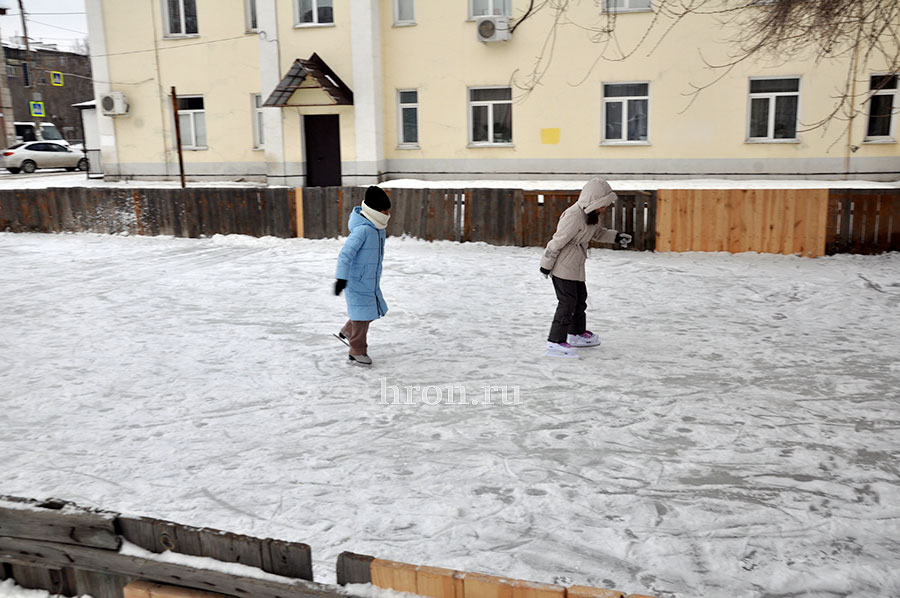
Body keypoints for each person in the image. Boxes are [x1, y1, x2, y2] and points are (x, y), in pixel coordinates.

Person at [539, 177, 631, 359]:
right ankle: (555, 342)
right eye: (604, 204)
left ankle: (576, 333)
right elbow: (557, 241)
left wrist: (617, 237)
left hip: (576, 266)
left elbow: (597, 233)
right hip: (563, 267)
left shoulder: (591, 215)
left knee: (580, 300)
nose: (605, 208)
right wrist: (545, 264)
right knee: (567, 304)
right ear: (594, 200)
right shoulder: (574, 216)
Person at [334, 186, 391, 365]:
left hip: (369, 281)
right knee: (362, 317)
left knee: (373, 310)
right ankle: (357, 351)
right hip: (357, 281)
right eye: (384, 210)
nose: (387, 213)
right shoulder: (363, 230)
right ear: (374, 210)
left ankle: (348, 331)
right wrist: (341, 278)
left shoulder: (378, 228)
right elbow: (345, 255)